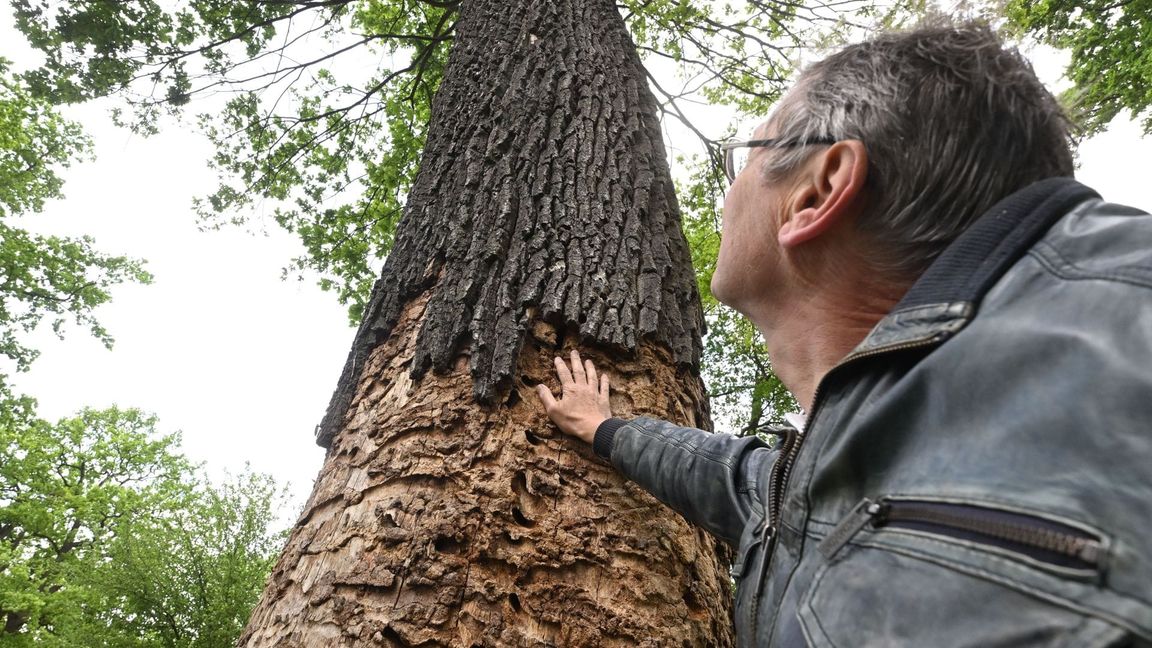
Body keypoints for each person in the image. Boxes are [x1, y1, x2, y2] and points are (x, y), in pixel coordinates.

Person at [535, 20, 1152, 648]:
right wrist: (606, 429)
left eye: (743, 159)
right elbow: (744, 483)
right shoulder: (844, 459)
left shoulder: (1125, 310)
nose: (728, 196)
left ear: (816, 192)